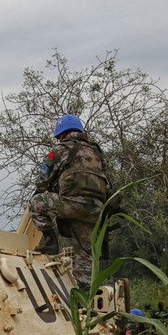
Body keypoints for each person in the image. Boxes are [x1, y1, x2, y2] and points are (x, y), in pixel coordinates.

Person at [28, 114, 109, 288]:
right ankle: (85, 297)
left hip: (73, 203)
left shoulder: (60, 150)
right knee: (85, 255)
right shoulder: (97, 153)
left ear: (61, 135)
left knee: (37, 202)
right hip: (96, 209)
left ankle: (50, 242)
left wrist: (43, 192)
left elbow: (42, 180)